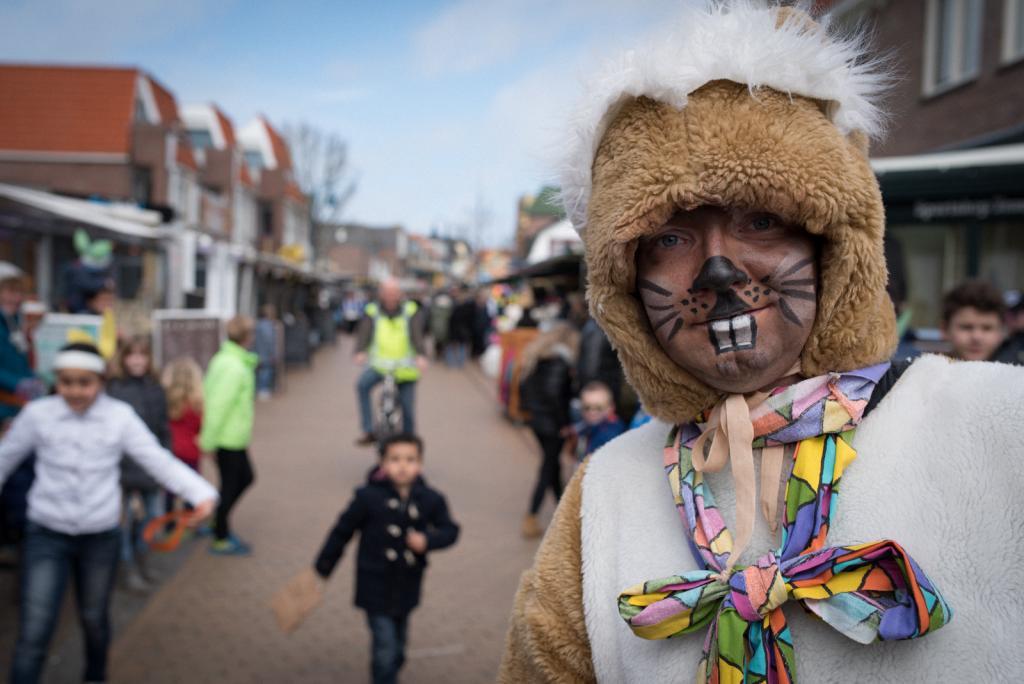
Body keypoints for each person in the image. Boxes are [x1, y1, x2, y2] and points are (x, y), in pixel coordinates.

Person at [499, 4, 1024, 682]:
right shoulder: (605, 494)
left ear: (833, 241)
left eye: (762, 220)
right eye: (670, 237)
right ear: (625, 284)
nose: (719, 272)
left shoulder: (1001, 425)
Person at [0, 342, 216, 684]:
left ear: (100, 381)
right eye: (67, 382)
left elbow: (156, 459)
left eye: (84, 382)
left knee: (95, 620)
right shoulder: (38, 415)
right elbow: (5, 458)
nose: (75, 390)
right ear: (56, 380)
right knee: (34, 629)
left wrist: (200, 494)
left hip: (99, 536)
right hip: (46, 534)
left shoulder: (119, 416)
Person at [313, 434, 459, 684]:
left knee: (399, 648)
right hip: (374, 586)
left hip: (407, 585)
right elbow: (342, 531)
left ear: (420, 464)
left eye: (410, 459)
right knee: (385, 648)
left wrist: (427, 541)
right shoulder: (367, 497)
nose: (402, 465)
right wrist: (323, 566)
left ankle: (390, 669)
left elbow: (450, 530)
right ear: (382, 463)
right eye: (395, 459)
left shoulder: (430, 499)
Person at [106, 336, 168, 592]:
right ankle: (127, 565)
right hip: (123, 469)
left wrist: (166, 458)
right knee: (125, 522)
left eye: (143, 355)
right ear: (124, 358)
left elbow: (163, 427)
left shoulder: (155, 387)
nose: (138, 360)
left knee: (153, 517)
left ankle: (143, 558)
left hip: (150, 466)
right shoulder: (115, 389)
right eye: (132, 355)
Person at [200, 316, 258, 555]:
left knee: (238, 480)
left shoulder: (229, 360)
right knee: (239, 480)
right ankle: (220, 535)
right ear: (246, 337)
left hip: (233, 436)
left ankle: (218, 521)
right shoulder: (233, 366)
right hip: (227, 438)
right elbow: (217, 405)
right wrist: (208, 442)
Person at [517, 322, 578, 539]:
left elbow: (523, 387)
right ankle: (532, 515)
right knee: (548, 467)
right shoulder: (559, 361)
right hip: (552, 424)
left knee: (552, 466)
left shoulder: (538, 358)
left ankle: (563, 513)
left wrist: (528, 411)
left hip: (537, 421)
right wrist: (564, 423)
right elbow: (554, 395)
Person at [353, 279, 428, 445]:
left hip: (405, 368)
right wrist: (360, 351)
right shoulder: (372, 310)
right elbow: (364, 333)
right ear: (381, 293)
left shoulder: (410, 310)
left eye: (394, 292)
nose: (391, 296)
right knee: (362, 385)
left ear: (399, 293)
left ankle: (409, 445)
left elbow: (417, 335)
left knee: (407, 408)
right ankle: (368, 429)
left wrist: (421, 355)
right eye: (387, 292)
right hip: (380, 366)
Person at [161, 356, 204, 513]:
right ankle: (189, 521)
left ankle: (168, 522)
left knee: (170, 490)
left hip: (171, 451)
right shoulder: (197, 404)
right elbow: (201, 427)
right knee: (191, 489)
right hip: (191, 452)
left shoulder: (165, 401)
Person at [940, 280, 1013, 363]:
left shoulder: (1018, 374)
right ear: (944, 329)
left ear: (1002, 332)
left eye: (987, 328)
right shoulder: (928, 373)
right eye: (966, 327)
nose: (977, 337)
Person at [572, 381, 625, 461]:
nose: (592, 412)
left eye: (598, 407)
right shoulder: (586, 428)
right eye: (587, 407)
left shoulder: (610, 437)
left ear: (611, 407)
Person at [254, 304, 278, 400]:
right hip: (265, 354)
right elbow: (269, 340)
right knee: (266, 371)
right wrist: (273, 353)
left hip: (258, 352)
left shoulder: (258, 324)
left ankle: (258, 389)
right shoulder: (268, 326)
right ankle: (263, 390)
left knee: (260, 371)